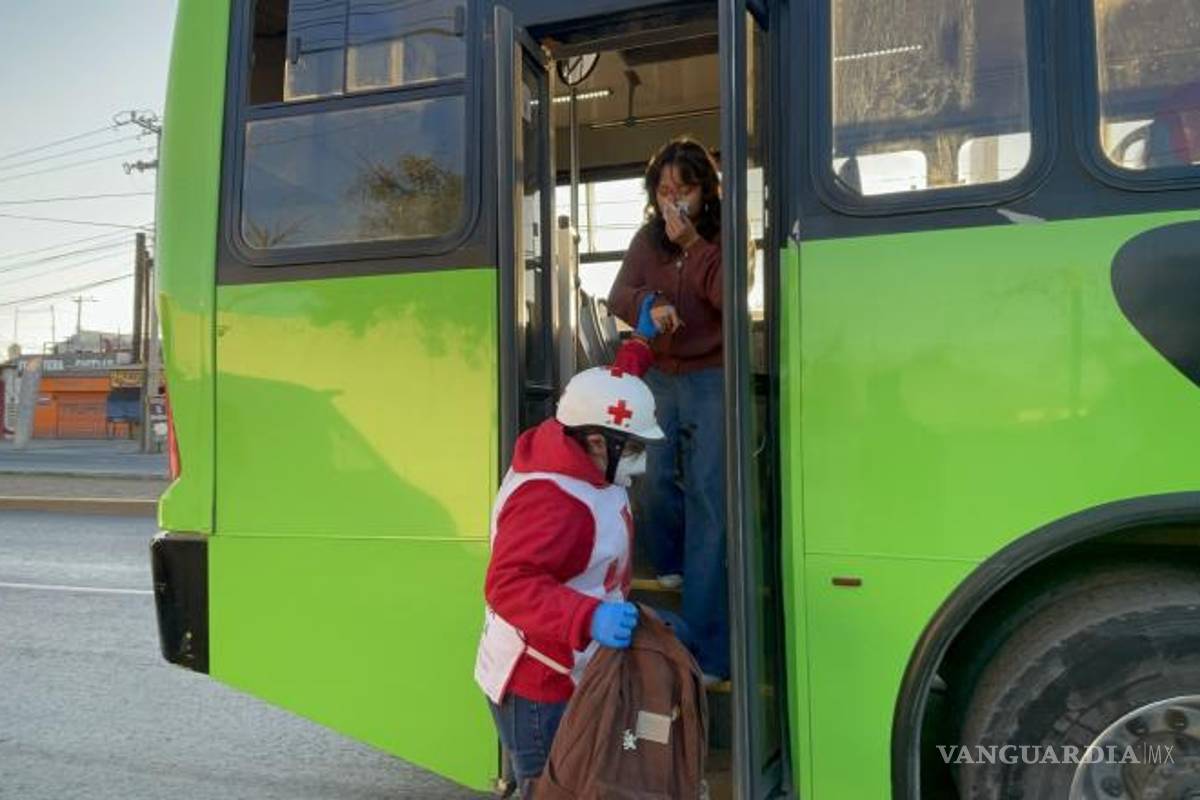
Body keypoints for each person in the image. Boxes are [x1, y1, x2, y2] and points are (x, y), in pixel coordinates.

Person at [474, 338, 663, 792]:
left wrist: (638, 346)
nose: (639, 463)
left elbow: (615, 394)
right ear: (598, 442)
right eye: (634, 449)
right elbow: (507, 585)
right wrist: (588, 616)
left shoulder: (581, 442)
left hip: (571, 663)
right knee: (553, 789)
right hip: (540, 685)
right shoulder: (553, 500)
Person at [606, 137, 729, 684]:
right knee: (653, 477)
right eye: (664, 189)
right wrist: (648, 305)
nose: (673, 199)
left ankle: (705, 644)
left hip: (710, 372)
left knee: (708, 492)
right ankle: (672, 561)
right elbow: (618, 294)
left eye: (684, 189)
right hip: (660, 372)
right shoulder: (645, 240)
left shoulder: (722, 237)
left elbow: (731, 293)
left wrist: (696, 246)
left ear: (705, 192)